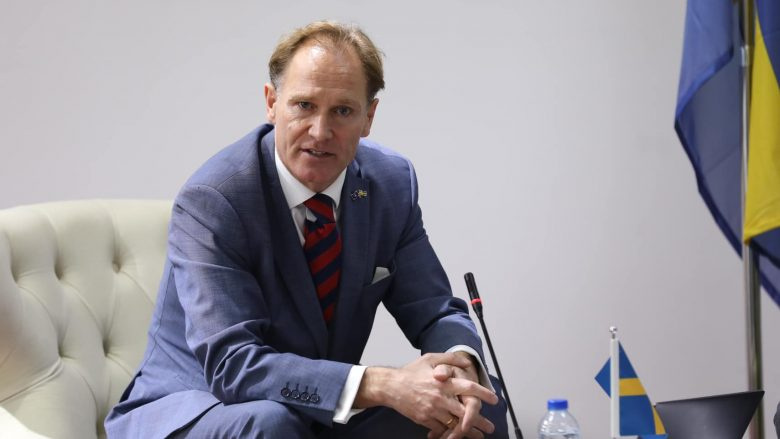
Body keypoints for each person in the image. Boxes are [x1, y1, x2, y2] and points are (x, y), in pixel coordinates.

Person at [105, 20, 508, 439]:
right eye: (303, 106)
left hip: (316, 411)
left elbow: (435, 310)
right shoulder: (216, 199)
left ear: (369, 117)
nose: (320, 132)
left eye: (343, 111)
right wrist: (382, 383)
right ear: (271, 103)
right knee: (271, 424)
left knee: (477, 407)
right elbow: (233, 366)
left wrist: (459, 367)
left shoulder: (389, 185)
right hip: (203, 408)